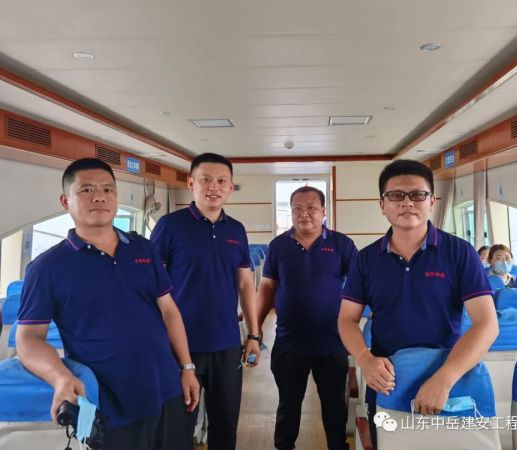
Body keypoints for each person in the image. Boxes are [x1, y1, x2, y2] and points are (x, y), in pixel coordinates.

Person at [16, 158, 199, 450]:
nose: (99, 196)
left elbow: (168, 311)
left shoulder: (143, 249)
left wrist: (187, 367)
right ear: (65, 201)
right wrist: (60, 377)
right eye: (86, 190)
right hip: (108, 402)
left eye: (107, 189)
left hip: (166, 389)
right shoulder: (47, 268)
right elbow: (28, 339)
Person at [338, 159, 498, 450]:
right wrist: (364, 359)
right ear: (382, 204)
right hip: (387, 380)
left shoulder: (459, 253)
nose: (407, 202)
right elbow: (347, 319)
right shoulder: (367, 259)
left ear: (432, 202)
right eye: (396, 195)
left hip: (449, 376)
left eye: (417, 194)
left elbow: (487, 324)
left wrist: (445, 378)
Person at [150, 152, 260, 450]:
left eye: (222, 181)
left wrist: (253, 334)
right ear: (191, 184)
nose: (214, 187)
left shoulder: (235, 229)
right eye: (206, 180)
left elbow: (245, 283)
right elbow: (151, 285)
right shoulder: (169, 226)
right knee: (178, 428)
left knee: (225, 426)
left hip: (226, 343)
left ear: (230, 187)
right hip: (180, 345)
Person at [257, 186, 358, 450]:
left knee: (334, 407)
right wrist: (255, 330)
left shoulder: (342, 244)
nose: (304, 214)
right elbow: (266, 287)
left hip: (332, 342)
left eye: (311, 208)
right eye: (297, 209)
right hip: (289, 343)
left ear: (324, 211)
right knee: (288, 405)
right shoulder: (278, 245)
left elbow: (360, 287)